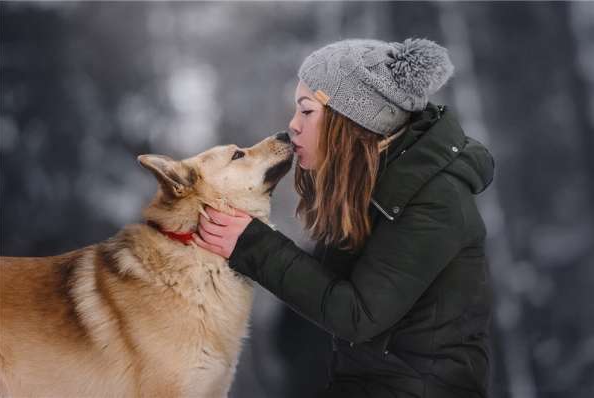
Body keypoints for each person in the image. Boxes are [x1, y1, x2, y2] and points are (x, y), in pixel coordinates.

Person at [194, 38, 495, 398]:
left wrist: (253, 244)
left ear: (351, 119)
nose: (292, 126)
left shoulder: (434, 200)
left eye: (306, 111)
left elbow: (356, 314)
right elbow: (323, 293)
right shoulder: (375, 189)